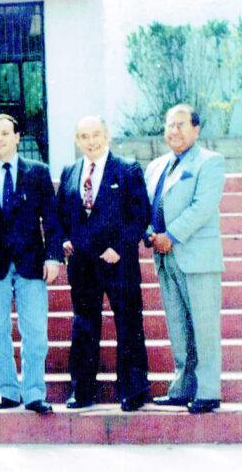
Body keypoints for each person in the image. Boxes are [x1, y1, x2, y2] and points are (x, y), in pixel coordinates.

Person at [0, 114, 62, 415]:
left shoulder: (38, 173)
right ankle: (6, 390)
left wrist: (53, 256)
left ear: (17, 137)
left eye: (5, 133)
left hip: (31, 264)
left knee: (35, 331)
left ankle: (33, 393)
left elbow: (52, 219)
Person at [56, 116, 150, 411]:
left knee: (129, 323)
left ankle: (133, 391)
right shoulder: (70, 171)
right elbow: (59, 215)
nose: (91, 141)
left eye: (96, 134)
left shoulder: (127, 169)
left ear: (107, 136)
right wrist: (63, 240)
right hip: (82, 264)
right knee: (84, 324)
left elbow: (140, 215)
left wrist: (120, 247)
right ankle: (82, 390)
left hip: (118, 261)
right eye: (84, 136)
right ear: (77, 140)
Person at [145, 104, 225, 414]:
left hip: (196, 257)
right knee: (178, 326)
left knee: (203, 327)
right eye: (169, 125)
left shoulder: (210, 162)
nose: (174, 131)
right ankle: (182, 387)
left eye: (181, 124)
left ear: (196, 129)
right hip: (164, 257)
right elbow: (146, 206)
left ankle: (208, 391)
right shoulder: (156, 166)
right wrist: (151, 233)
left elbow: (203, 206)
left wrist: (171, 235)